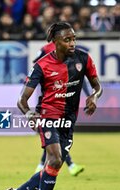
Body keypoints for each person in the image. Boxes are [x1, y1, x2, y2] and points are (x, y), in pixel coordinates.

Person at [0, 22, 102, 190]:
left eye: (73, 38)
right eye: (67, 39)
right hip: (47, 116)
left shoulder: (84, 59)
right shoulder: (42, 65)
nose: (72, 43)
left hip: (69, 120)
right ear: (55, 42)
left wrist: (94, 97)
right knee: (54, 160)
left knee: (51, 169)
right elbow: (22, 100)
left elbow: (98, 87)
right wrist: (29, 115)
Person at [33, 41, 91, 176]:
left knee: (56, 138)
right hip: (50, 102)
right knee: (56, 137)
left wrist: (89, 95)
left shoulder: (72, 52)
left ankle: (43, 166)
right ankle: (68, 166)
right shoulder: (46, 50)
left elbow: (79, 76)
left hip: (66, 104)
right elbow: (36, 64)